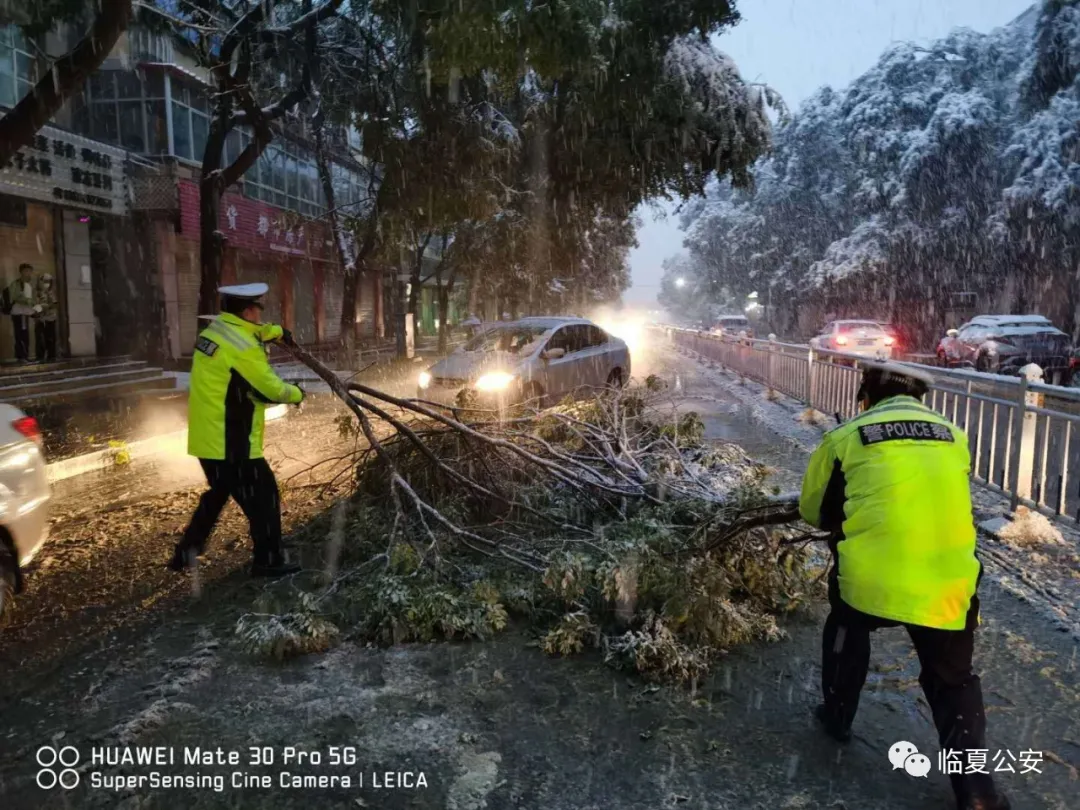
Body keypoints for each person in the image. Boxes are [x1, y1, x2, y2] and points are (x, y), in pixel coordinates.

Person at [799, 361, 1009, 810]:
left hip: (870, 580)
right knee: (953, 680)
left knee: (846, 631)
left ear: (866, 397)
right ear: (919, 399)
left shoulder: (846, 436)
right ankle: (977, 792)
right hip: (948, 580)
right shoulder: (955, 436)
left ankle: (836, 715)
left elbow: (813, 511)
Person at [169, 283, 304, 578]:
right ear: (247, 311)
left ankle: (185, 553)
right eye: (258, 311)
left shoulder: (215, 333)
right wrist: (297, 393)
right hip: (231, 440)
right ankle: (268, 560)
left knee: (219, 491)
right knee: (264, 495)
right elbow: (270, 389)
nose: (260, 317)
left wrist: (277, 331)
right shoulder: (243, 348)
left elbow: (253, 332)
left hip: (207, 437)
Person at [5, 264, 37, 363]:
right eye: (26, 271)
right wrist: (26, 300)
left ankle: (25, 355)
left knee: (25, 334)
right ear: (21, 272)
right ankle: (21, 356)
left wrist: (32, 303)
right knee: (19, 334)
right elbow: (13, 296)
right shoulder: (16, 284)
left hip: (25, 313)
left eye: (29, 271)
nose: (28, 273)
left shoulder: (29, 284)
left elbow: (32, 298)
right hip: (18, 312)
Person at [33, 273, 59, 362]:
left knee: (50, 338)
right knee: (40, 339)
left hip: (50, 318)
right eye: (44, 281)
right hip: (40, 319)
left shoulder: (52, 292)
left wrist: (44, 307)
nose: (46, 284)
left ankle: (51, 356)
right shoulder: (38, 293)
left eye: (48, 281)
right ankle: (40, 357)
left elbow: (54, 304)